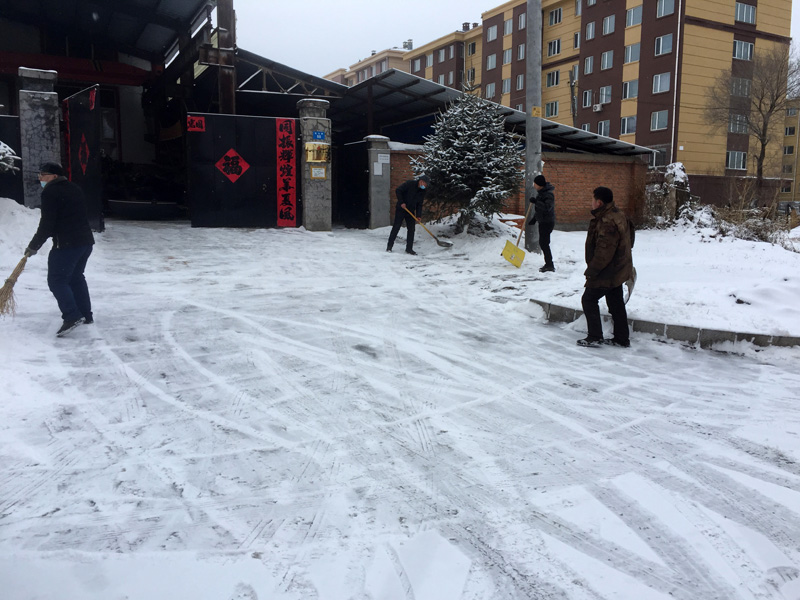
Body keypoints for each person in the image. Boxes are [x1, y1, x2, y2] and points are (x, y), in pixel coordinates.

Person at [24, 162, 95, 337]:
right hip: (85, 242)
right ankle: (86, 314)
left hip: (67, 244)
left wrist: (34, 245)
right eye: (40, 174)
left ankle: (72, 315)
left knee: (56, 280)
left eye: (43, 175)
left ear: (54, 176)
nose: (40, 178)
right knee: (76, 277)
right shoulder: (74, 188)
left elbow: (47, 224)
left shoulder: (51, 192)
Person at [578, 186, 633, 348]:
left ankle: (595, 336)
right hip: (618, 267)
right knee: (616, 302)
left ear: (599, 202)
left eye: (593, 199)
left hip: (607, 270)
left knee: (588, 299)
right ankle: (621, 338)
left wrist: (593, 270)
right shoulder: (618, 214)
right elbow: (631, 236)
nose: (591, 202)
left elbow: (604, 251)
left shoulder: (607, 221)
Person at [387, 174, 430, 255]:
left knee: (411, 229)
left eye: (426, 185)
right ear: (421, 181)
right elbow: (398, 190)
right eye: (425, 184)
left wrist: (418, 215)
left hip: (410, 211)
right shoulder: (410, 184)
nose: (425, 186)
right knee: (396, 227)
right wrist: (401, 202)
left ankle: (409, 249)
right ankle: (389, 246)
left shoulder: (422, 191)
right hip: (401, 209)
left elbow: (419, 204)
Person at [529, 174, 556, 272]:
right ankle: (548, 264)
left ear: (539, 184)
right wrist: (534, 219)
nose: (534, 185)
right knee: (543, 243)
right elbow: (540, 210)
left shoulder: (548, 194)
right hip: (543, 221)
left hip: (547, 222)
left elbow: (547, 208)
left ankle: (550, 265)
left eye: (535, 183)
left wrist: (536, 202)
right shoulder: (541, 193)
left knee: (544, 243)